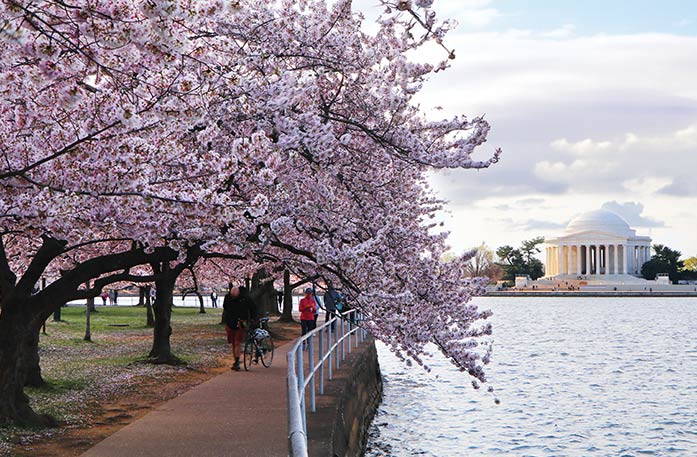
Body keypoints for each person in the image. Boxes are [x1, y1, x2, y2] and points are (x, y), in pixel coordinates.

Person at [223, 286, 256, 371]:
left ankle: (237, 361)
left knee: (237, 342)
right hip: (230, 322)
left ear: (238, 293)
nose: (233, 297)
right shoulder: (227, 297)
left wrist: (252, 319)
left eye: (235, 295)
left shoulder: (245, 298)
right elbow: (225, 307)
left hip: (241, 322)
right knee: (233, 343)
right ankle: (235, 360)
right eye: (232, 295)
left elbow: (253, 308)